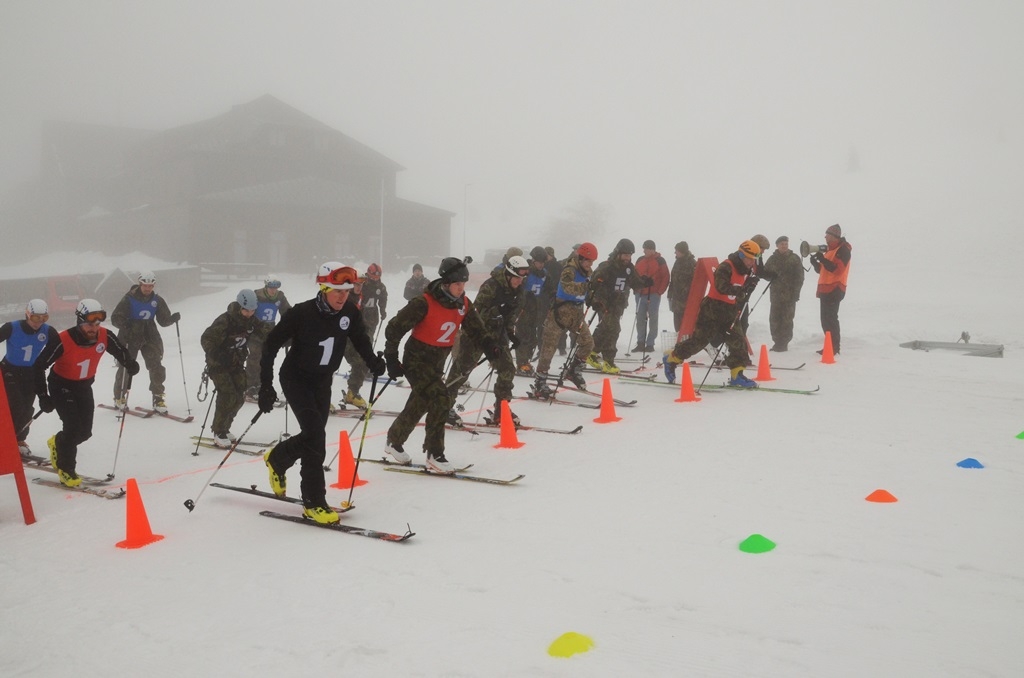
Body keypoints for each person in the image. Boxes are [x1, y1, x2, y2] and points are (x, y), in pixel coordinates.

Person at [258, 262, 385, 524]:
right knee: (315, 435)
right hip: (296, 379)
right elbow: (270, 346)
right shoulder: (301, 313)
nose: (343, 296)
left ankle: (277, 458)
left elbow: (360, 338)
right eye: (337, 290)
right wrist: (266, 385)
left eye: (347, 290)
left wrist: (372, 361)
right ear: (324, 288)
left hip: (322, 380)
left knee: (313, 436)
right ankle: (314, 502)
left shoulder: (349, 311)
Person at [382, 257, 500, 474]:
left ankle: (394, 440)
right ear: (446, 283)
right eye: (457, 285)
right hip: (416, 359)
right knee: (440, 397)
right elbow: (394, 328)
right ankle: (435, 453)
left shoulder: (463, 304)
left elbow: (477, 330)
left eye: (464, 285)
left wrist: (490, 345)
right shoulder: (424, 302)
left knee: (422, 400)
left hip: (438, 362)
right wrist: (391, 357)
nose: (461, 289)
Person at [41, 300, 138, 486]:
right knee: (72, 427)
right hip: (60, 385)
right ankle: (66, 469)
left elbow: (121, 351)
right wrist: (43, 396)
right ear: (79, 321)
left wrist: (130, 363)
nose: (93, 328)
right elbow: (39, 366)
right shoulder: (63, 340)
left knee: (84, 432)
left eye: (97, 324)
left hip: (83, 386)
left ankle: (58, 442)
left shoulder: (104, 336)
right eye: (88, 324)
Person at [663, 240, 762, 388]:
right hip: (712, 309)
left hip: (730, 310)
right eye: (750, 258)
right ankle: (672, 358)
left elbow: (737, 293)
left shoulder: (746, 269)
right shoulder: (726, 266)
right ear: (741, 255)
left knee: (738, 341)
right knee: (699, 341)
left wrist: (748, 288)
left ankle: (737, 375)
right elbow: (721, 287)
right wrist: (742, 289)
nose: (752, 262)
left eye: (754, 259)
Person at [447, 255, 527, 426]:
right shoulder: (491, 286)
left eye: (522, 279)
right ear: (508, 274)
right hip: (477, 334)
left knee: (507, 369)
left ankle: (502, 409)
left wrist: (510, 333)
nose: (519, 282)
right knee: (462, 371)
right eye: (517, 278)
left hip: (497, 335)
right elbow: (475, 314)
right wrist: (496, 310)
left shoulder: (518, 291)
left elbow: (511, 316)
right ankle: (444, 406)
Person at [200, 290, 265, 448]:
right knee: (227, 394)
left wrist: (285, 337)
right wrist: (217, 353)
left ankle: (225, 427)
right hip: (219, 365)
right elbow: (206, 338)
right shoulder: (225, 320)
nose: (249, 314)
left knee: (240, 395)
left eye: (252, 310)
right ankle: (218, 431)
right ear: (240, 307)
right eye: (246, 310)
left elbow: (265, 331)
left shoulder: (251, 321)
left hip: (236, 363)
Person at [110, 270, 181, 413]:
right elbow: (115, 318)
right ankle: (119, 397)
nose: (147, 289)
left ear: (153, 285)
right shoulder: (128, 299)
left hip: (150, 335)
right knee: (126, 367)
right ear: (140, 284)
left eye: (150, 286)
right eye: (145, 286)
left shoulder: (157, 300)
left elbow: (163, 320)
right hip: (130, 336)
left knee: (156, 366)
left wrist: (172, 319)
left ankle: (158, 398)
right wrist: (125, 324)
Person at [533, 242, 598, 392]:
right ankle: (540, 380)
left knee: (588, 343)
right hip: (559, 313)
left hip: (576, 314)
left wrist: (594, 299)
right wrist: (586, 286)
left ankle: (573, 371)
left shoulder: (588, 271)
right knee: (548, 348)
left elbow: (586, 292)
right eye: (588, 261)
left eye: (592, 262)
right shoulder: (570, 269)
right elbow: (567, 286)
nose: (590, 264)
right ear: (580, 258)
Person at [1, 299, 61, 457]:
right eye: (35, 318)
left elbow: (59, 348)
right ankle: (5, 440)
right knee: (16, 406)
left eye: (44, 318)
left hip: (31, 372)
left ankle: (19, 439)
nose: (39, 322)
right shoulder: (11, 327)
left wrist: (44, 363)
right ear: (27, 314)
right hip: (9, 370)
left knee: (28, 408)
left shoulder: (48, 331)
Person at [587, 239, 651, 374]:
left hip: (618, 305)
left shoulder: (629, 268)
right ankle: (608, 362)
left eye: (630, 255)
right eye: (625, 255)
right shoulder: (607, 267)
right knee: (613, 329)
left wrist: (645, 282)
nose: (628, 258)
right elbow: (593, 284)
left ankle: (590, 352)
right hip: (605, 303)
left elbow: (635, 282)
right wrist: (596, 300)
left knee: (604, 328)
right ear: (618, 253)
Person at [245, 275, 292, 398]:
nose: (273, 290)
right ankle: (250, 385)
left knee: (266, 360)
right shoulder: (256, 296)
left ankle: (261, 384)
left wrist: (289, 330)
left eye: (276, 288)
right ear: (266, 286)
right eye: (271, 287)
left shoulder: (280, 297)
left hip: (269, 332)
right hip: (255, 332)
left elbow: (287, 313)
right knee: (254, 358)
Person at [810, 224, 852, 355]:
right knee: (825, 319)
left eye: (827, 234)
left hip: (835, 288)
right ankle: (829, 346)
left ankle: (834, 348)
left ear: (834, 236)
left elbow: (837, 270)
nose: (825, 237)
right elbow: (823, 270)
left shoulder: (843, 249)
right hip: (825, 289)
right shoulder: (830, 250)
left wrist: (822, 259)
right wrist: (815, 263)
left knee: (831, 319)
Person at [763, 236, 805, 352]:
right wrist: (769, 275)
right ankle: (777, 342)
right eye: (782, 244)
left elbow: (800, 277)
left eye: (786, 243)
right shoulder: (772, 259)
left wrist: (796, 293)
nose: (784, 246)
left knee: (787, 320)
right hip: (776, 296)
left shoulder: (794, 258)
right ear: (777, 246)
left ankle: (784, 343)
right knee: (775, 319)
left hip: (790, 296)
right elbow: (765, 274)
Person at [514, 246, 550, 375]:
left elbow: (547, 289)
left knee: (533, 339)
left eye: (543, 263)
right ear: (533, 261)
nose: (541, 265)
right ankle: (521, 363)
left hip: (536, 310)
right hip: (524, 310)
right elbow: (517, 289)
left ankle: (526, 361)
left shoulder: (544, 273)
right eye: (539, 262)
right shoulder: (525, 273)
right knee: (523, 337)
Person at [340, 274, 373, 409]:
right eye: (356, 284)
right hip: (337, 337)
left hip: (351, 338)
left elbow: (359, 319)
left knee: (362, 362)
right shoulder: (343, 297)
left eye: (361, 285)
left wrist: (366, 331)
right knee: (326, 369)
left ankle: (352, 393)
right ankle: (319, 399)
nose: (359, 287)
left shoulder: (359, 298)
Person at [633, 239, 671, 352]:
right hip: (640, 293)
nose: (644, 250)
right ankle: (640, 342)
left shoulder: (660, 260)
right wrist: (636, 288)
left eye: (646, 248)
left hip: (653, 294)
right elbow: (634, 275)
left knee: (653, 318)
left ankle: (650, 343)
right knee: (640, 318)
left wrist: (659, 292)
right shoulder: (640, 260)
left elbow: (665, 277)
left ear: (651, 249)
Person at [666, 241, 697, 335]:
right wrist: (670, 293)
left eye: (677, 250)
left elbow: (695, 282)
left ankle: (687, 341)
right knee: (677, 322)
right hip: (676, 299)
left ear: (682, 251)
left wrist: (686, 293)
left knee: (687, 322)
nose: (675, 253)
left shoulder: (692, 263)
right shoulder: (677, 261)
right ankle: (679, 340)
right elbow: (674, 279)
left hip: (686, 300)